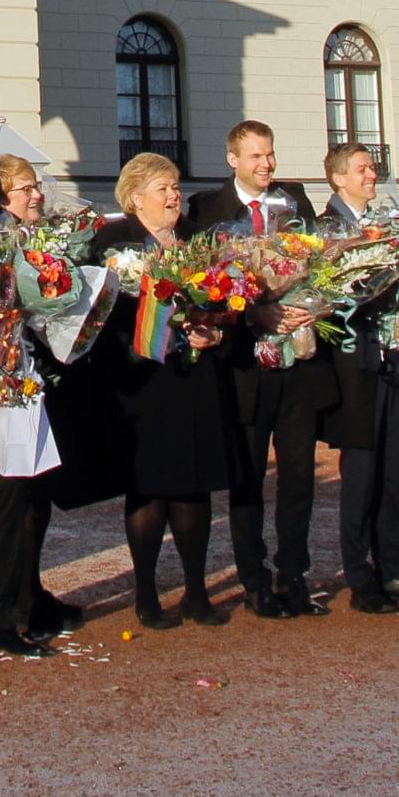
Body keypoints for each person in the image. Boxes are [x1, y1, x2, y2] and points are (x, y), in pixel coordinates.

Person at [188, 120, 331, 620]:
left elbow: (323, 268)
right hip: (245, 369)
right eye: (255, 157)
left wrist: (313, 304)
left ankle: (295, 574)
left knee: (298, 476)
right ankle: (254, 578)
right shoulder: (207, 211)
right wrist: (251, 312)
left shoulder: (296, 203)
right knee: (246, 477)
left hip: (297, 363)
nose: (266, 165)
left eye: (269, 155)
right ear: (232, 159)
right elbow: (200, 288)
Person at [92, 152, 237, 628]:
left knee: (193, 487)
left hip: (193, 379)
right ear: (136, 198)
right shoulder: (113, 242)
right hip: (141, 382)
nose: (174, 195)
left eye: (175, 187)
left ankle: (196, 592)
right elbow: (100, 316)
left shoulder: (200, 239)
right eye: (163, 189)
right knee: (148, 488)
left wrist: (215, 331)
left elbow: (227, 303)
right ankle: (147, 594)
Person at [318, 142, 399, 613]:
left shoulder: (387, 225)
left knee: (392, 472)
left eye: (372, 168)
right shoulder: (328, 227)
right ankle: (361, 578)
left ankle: (393, 569)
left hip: (392, 359)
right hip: (356, 367)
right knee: (362, 475)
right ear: (338, 179)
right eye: (362, 169)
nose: (371, 175)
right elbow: (348, 293)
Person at [0, 154, 87, 639]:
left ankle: (30, 593)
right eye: (25, 188)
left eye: (36, 185)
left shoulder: (40, 239)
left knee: (37, 493)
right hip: (1, 383)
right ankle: (8, 607)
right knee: (11, 497)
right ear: (0, 197)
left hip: (40, 378)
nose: (36, 194)